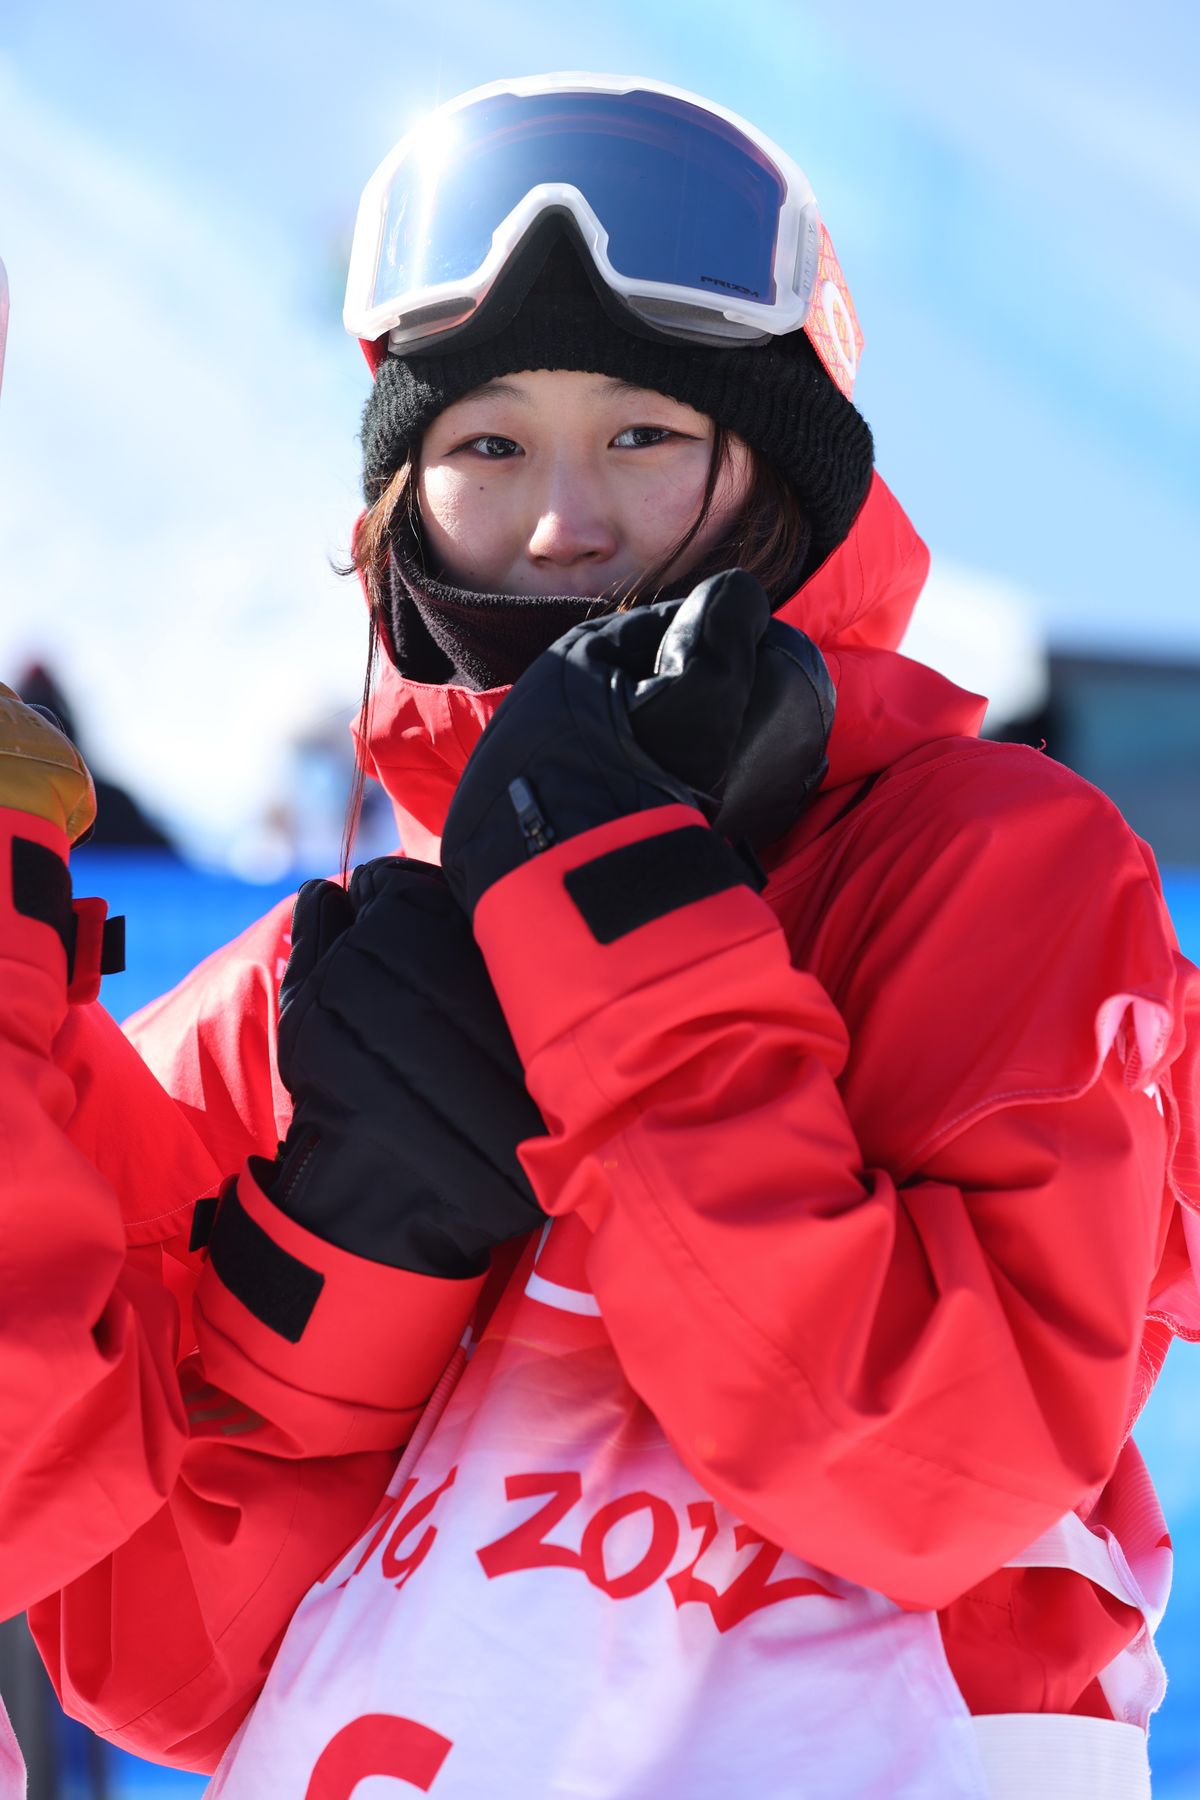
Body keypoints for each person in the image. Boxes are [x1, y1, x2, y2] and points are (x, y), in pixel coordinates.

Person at [6, 75, 1198, 1798]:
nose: (565, 521)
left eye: (643, 435)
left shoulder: (987, 865)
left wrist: (616, 936)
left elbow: (942, 1474)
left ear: (789, 480)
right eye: (487, 448)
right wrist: (355, 1244)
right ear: (399, 518)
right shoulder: (305, 997)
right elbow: (160, 1663)